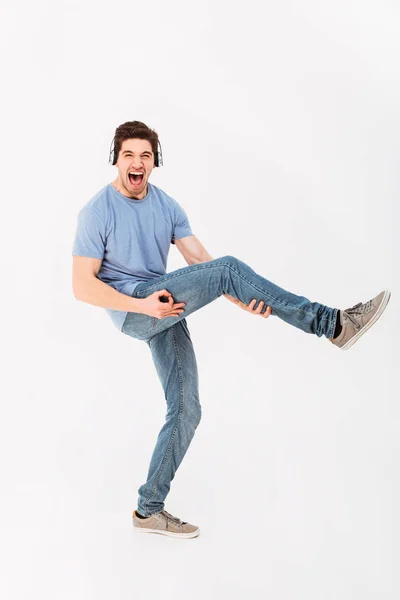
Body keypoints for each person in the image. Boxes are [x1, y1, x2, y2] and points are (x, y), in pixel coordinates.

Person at [72, 120, 391, 539]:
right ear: (116, 159)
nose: (137, 162)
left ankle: (148, 509)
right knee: (228, 267)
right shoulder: (97, 211)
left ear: (154, 163)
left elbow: (202, 263)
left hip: (167, 309)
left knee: (187, 410)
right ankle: (332, 324)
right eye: (128, 154)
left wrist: (248, 299)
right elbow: (82, 286)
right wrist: (142, 303)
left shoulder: (166, 206)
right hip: (138, 308)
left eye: (145, 156)